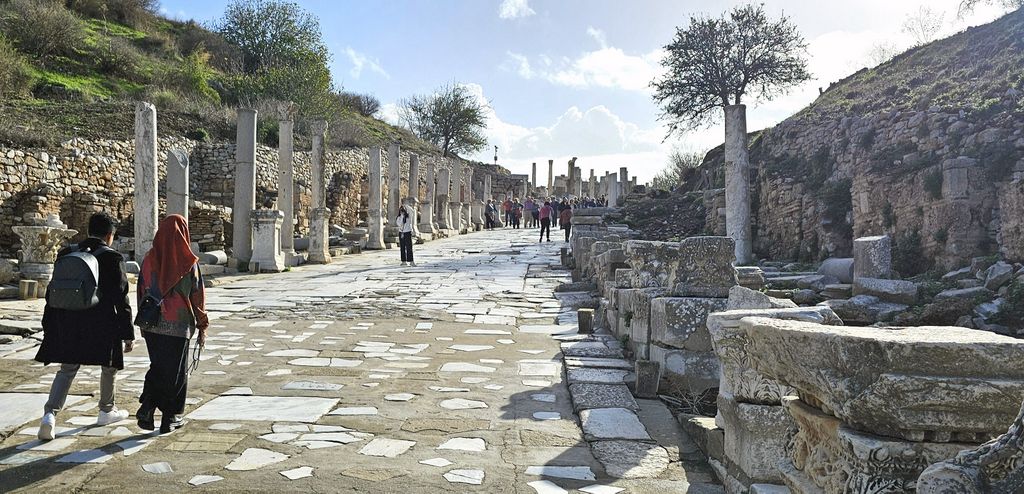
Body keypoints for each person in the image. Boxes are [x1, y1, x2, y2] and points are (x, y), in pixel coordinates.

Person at [35, 213, 135, 440]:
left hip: (68, 320)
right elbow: (122, 298)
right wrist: (127, 333)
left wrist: (48, 324)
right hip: (102, 324)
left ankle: (49, 415)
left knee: (67, 369)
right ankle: (106, 410)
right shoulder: (112, 258)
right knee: (109, 366)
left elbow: (54, 290)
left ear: (88, 230)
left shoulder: (67, 253)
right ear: (110, 235)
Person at [136, 215, 208, 434]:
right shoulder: (189, 263)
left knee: (158, 366)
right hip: (179, 324)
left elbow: (141, 291)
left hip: (153, 323)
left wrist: (143, 323)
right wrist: (202, 323)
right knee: (176, 373)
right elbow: (197, 296)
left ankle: (148, 406)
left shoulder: (149, 259)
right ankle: (171, 416)